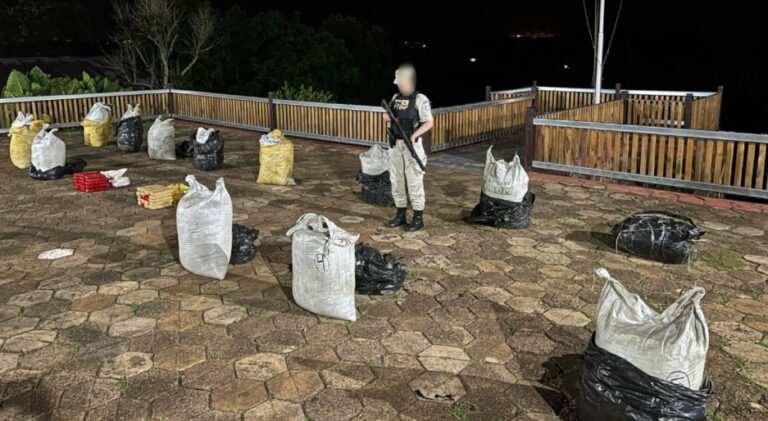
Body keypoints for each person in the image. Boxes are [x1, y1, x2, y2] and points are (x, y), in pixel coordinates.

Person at [383, 63, 433, 231]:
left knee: (414, 180)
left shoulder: (420, 99)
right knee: (396, 179)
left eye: (402, 83)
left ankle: (418, 217)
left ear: (410, 81)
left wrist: (414, 135)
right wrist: (388, 116)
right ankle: (400, 214)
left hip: (412, 146)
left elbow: (429, 122)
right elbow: (386, 117)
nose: (399, 86)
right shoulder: (395, 97)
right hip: (395, 144)